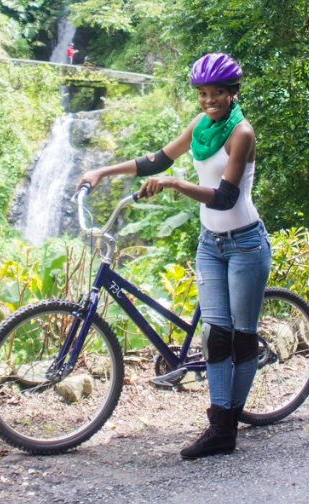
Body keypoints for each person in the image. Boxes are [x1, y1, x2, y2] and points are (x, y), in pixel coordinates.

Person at [76, 52, 271, 460]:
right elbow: (159, 160)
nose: (209, 100)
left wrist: (175, 185)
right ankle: (221, 426)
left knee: (241, 336)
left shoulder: (242, 133)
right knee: (215, 335)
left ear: (233, 93)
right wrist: (103, 172)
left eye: (217, 92)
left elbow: (225, 197)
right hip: (210, 244)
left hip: (245, 244)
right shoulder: (201, 125)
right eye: (202, 93)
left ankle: (225, 427)